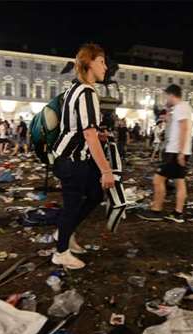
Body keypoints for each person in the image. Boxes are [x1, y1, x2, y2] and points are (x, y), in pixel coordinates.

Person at [50, 43, 115, 270]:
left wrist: (99, 136)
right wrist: (106, 170)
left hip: (70, 157)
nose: (106, 67)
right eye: (101, 61)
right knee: (72, 204)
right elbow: (87, 134)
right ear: (89, 63)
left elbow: (80, 128)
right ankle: (61, 251)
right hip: (72, 159)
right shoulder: (87, 92)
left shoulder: (74, 88)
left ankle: (64, 233)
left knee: (96, 194)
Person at [137, 84, 193, 223]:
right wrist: (168, 112)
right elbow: (172, 125)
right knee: (180, 182)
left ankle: (156, 210)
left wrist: (180, 152)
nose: (164, 99)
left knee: (158, 179)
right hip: (178, 151)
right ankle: (177, 213)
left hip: (175, 151)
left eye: (166, 96)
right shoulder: (181, 108)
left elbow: (184, 129)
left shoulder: (181, 108)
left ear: (171, 95)